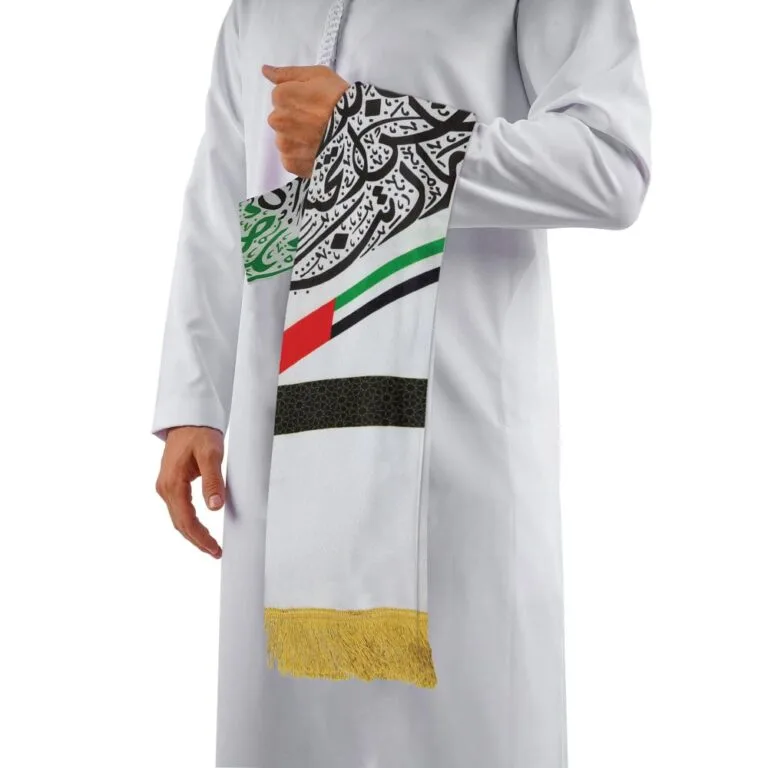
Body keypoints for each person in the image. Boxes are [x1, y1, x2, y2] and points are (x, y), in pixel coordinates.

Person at [152, 0, 651, 766]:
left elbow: (610, 164)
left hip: (449, 447)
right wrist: (196, 401)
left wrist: (366, 135)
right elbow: (226, 199)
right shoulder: (257, 8)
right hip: (277, 446)